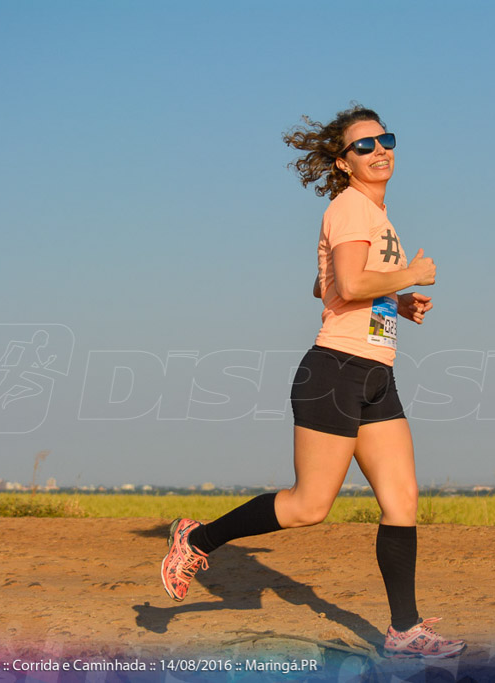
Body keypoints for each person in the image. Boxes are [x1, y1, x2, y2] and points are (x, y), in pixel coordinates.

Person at [160, 105, 464, 659]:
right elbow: (347, 282)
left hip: (376, 373)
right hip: (336, 372)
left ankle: (405, 630)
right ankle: (197, 538)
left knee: (402, 501)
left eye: (386, 140)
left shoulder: (373, 214)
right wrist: (411, 276)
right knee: (309, 505)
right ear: (344, 163)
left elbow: (325, 285)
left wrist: (397, 298)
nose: (380, 151)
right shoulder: (351, 207)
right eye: (364, 146)